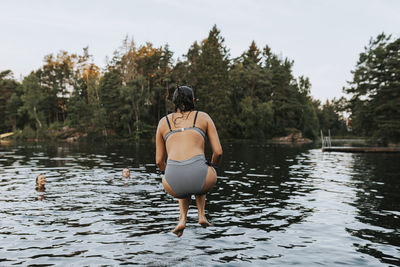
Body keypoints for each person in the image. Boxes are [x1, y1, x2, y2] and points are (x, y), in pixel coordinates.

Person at [155, 86, 222, 237]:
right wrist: (212, 166)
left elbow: (159, 160)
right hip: (200, 176)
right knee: (202, 168)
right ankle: (201, 215)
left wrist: (170, 173)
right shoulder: (203, 117)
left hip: (173, 182)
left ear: (174, 103)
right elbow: (218, 152)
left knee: (182, 178)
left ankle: (182, 219)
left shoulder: (163, 122)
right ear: (193, 100)